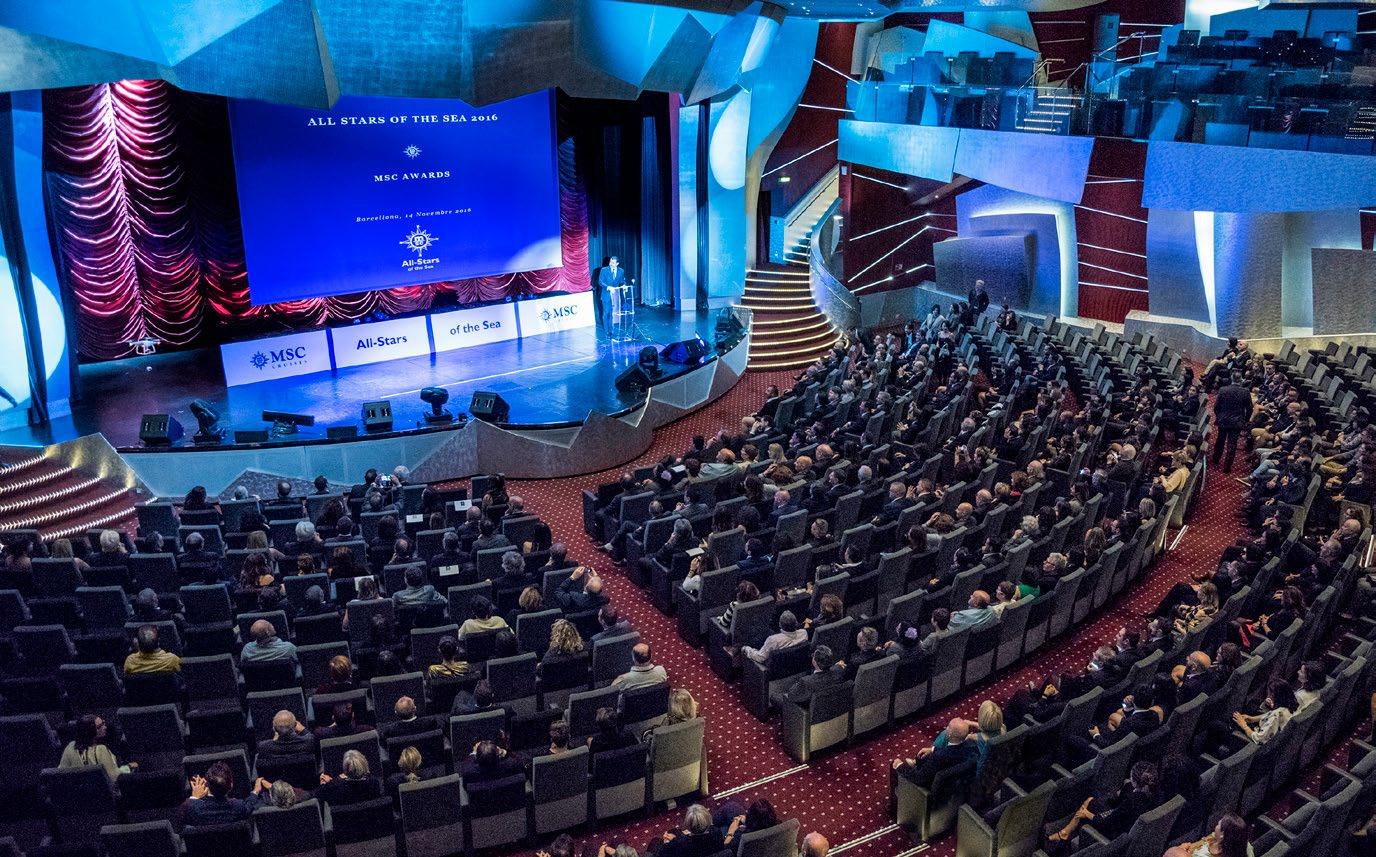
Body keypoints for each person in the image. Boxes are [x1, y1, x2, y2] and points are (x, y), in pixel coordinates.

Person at [892, 718, 979, 788]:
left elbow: (919, 778)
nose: (946, 728)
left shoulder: (938, 757)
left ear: (949, 734)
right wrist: (933, 749)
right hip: (956, 786)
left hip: (933, 788)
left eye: (948, 727)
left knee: (895, 764)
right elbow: (952, 751)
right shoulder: (971, 748)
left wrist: (900, 765)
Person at [182, 761, 267, 825]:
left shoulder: (193, 809)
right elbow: (249, 806)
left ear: (206, 784)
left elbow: (181, 818)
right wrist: (255, 791)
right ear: (231, 785)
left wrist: (194, 798)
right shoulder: (238, 807)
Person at [59, 714, 129, 781]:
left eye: (103, 723)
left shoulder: (70, 746)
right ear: (90, 732)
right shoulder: (101, 749)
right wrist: (128, 767)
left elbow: (60, 772)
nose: (105, 727)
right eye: (99, 727)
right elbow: (114, 777)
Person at [1212, 373, 1253, 473]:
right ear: (1241, 380)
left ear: (1231, 378)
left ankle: (1215, 459)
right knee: (1232, 444)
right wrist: (1245, 420)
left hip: (1223, 420)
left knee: (1220, 440)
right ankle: (1227, 467)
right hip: (1237, 422)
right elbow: (1249, 409)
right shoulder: (1245, 392)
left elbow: (1216, 407)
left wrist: (1219, 416)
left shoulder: (1223, 390)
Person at [1163, 813, 1252, 857]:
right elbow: (1201, 842)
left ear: (1222, 836)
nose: (1216, 826)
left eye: (1218, 825)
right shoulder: (1243, 844)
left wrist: (1181, 849)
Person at [316, 750, 383, 806]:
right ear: (365, 765)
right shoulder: (375, 783)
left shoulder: (334, 787)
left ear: (345, 771)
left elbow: (318, 795)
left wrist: (324, 784)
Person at [653, 804, 724, 857]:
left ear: (688, 825)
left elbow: (662, 853)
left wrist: (666, 843)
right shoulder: (717, 832)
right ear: (709, 820)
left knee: (655, 841)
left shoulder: (680, 844)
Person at [742, 611, 807, 664]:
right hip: (796, 665)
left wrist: (747, 649)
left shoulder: (773, 640)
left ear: (780, 625)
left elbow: (760, 658)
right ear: (796, 623)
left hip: (773, 670)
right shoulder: (804, 633)